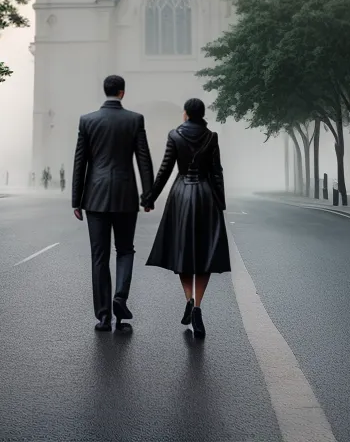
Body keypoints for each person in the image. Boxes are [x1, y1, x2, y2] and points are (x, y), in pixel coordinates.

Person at [71, 74, 154, 333]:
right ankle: (120, 298)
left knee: (99, 256)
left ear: (105, 91)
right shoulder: (134, 120)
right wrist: (148, 196)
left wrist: (76, 200)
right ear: (123, 93)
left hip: (94, 197)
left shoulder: (87, 121)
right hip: (125, 196)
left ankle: (104, 317)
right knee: (125, 250)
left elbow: (80, 162)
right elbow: (144, 160)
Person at [142, 97, 230, 340]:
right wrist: (220, 202)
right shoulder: (211, 137)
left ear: (185, 114)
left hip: (181, 196)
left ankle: (188, 300)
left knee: (183, 251)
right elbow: (217, 172)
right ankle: (198, 307)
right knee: (204, 254)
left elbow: (165, 170)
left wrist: (150, 198)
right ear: (201, 114)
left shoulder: (175, 135)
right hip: (205, 196)